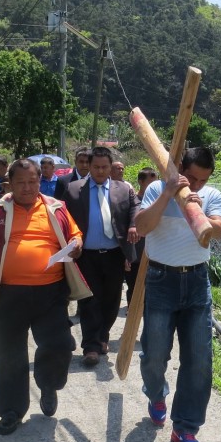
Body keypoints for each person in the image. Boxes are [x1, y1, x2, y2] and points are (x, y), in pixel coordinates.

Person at [0, 159, 82, 435]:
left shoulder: (55, 208)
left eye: (32, 181)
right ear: (10, 184)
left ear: (40, 181)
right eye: (21, 182)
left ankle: (48, 384)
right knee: (6, 353)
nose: (27, 187)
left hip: (50, 292)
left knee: (60, 344)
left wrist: (76, 246)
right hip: (9, 294)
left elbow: (75, 235)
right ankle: (11, 411)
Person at [134, 147, 221, 442]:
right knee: (155, 354)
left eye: (204, 179)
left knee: (199, 359)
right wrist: (168, 195)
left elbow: (218, 230)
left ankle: (185, 427)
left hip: (197, 283)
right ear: (180, 170)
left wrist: (200, 215)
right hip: (161, 281)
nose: (197, 185)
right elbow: (143, 227)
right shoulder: (156, 189)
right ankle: (157, 393)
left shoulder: (210, 195)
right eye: (193, 178)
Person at [62, 147, 138, 367]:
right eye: (96, 167)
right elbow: (64, 218)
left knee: (112, 299)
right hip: (86, 255)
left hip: (114, 254)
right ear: (89, 166)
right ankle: (91, 346)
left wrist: (133, 225)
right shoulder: (74, 190)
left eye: (104, 167)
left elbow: (134, 208)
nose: (100, 171)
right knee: (89, 300)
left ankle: (103, 336)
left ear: (111, 167)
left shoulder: (123, 189)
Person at [124, 167, 158, 303]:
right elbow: (123, 231)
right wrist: (126, 255)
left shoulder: (159, 204)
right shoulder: (132, 203)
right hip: (135, 255)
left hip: (153, 254)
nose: (154, 187)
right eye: (150, 184)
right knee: (133, 286)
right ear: (140, 182)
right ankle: (132, 313)